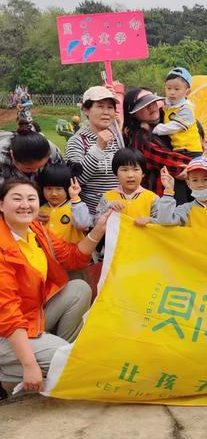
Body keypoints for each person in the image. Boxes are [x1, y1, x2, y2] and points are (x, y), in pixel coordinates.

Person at [0, 177, 111, 393]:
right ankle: (30, 365)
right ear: (1, 205)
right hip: (7, 330)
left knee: (78, 289)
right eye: (17, 199)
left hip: (32, 317)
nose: (25, 204)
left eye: (31, 198)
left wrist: (98, 230)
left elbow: (73, 258)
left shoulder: (35, 230)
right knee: (71, 359)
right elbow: (8, 313)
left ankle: (56, 359)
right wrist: (29, 364)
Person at [122, 87, 192, 204]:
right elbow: (169, 161)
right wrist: (196, 165)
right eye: (144, 106)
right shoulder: (139, 137)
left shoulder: (165, 125)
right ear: (133, 114)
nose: (152, 108)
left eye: (153, 102)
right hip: (163, 198)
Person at [65, 86, 122, 216]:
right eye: (100, 106)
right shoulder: (77, 141)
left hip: (121, 216)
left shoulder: (118, 138)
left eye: (110, 107)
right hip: (93, 219)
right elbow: (76, 181)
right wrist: (98, 148)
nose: (106, 112)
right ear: (86, 110)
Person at [95, 148, 160, 225]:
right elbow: (96, 223)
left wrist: (149, 220)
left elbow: (162, 222)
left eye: (135, 169)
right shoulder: (108, 197)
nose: (130, 175)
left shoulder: (152, 198)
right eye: (124, 170)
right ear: (116, 174)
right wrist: (108, 208)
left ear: (143, 173)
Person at [156, 156, 207, 230]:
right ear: (188, 184)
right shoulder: (186, 209)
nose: (200, 185)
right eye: (195, 180)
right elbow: (165, 220)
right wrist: (168, 190)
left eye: (205, 179)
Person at [152, 67, 203, 158]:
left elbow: (175, 127)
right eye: (169, 88)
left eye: (176, 89)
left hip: (190, 151)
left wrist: (155, 129)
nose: (172, 92)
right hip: (178, 149)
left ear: (187, 92)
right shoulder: (169, 104)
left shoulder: (186, 108)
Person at [37, 164, 91, 243]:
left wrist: (75, 197)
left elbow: (83, 225)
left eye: (59, 189)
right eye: (49, 189)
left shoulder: (75, 207)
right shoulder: (40, 211)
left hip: (70, 254)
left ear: (68, 188)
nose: (54, 193)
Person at [0, 121, 63, 187]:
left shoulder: (52, 151)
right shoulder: (2, 157)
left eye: (40, 166)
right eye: (28, 168)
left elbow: (60, 178)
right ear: (12, 156)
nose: (35, 170)